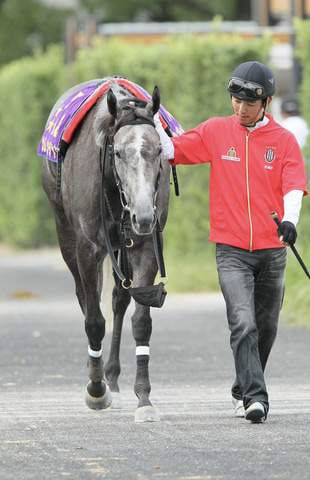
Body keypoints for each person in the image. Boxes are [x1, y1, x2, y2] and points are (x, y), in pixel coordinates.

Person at [154, 61, 308, 423]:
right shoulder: (215, 131)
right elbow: (171, 151)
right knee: (243, 323)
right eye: (236, 100)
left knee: (266, 327)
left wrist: (289, 221)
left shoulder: (283, 141)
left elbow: (293, 186)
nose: (240, 108)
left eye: (249, 103)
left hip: (273, 251)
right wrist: (152, 123)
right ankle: (256, 398)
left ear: (266, 103)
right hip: (231, 250)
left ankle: (242, 388)